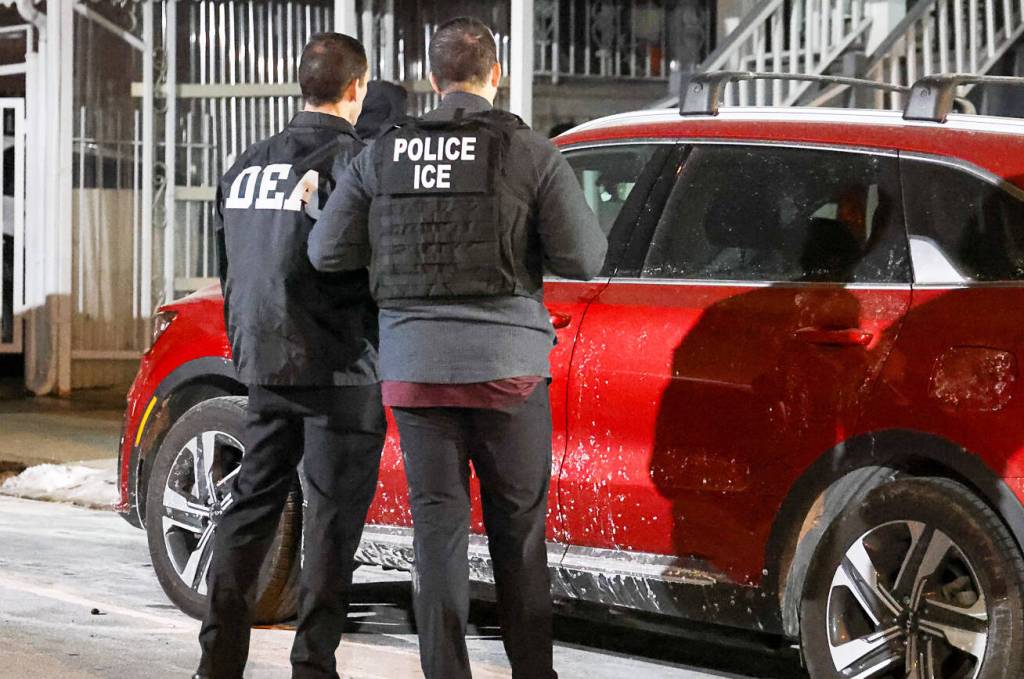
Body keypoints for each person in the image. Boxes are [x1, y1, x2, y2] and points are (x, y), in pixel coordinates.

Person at [308, 17, 607, 679]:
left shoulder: (383, 153)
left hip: (416, 373)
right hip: (509, 375)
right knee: (518, 532)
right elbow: (586, 258)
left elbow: (326, 252)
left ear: (433, 79)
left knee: (437, 531)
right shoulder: (530, 153)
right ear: (495, 75)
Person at [194, 33, 386, 679]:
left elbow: (229, 268)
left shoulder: (245, 165)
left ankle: (217, 664)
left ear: (303, 85)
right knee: (331, 529)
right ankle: (313, 667)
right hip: (342, 365)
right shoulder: (358, 163)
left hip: (265, 362)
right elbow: (374, 264)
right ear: (356, 88)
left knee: (250, 511)